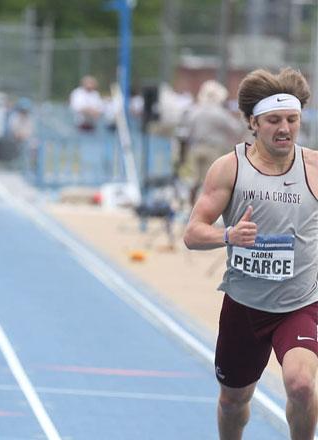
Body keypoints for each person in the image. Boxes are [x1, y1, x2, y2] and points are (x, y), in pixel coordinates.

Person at [184, 67, 318, 440]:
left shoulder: (314, 167)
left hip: (300, 303)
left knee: (301, 385)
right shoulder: (230, 169)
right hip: (245, 304)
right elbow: (192, 234)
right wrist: (229, 235)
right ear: (252, 123)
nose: (285, 128)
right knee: (232, 400)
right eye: (274, 120)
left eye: (292, 119)